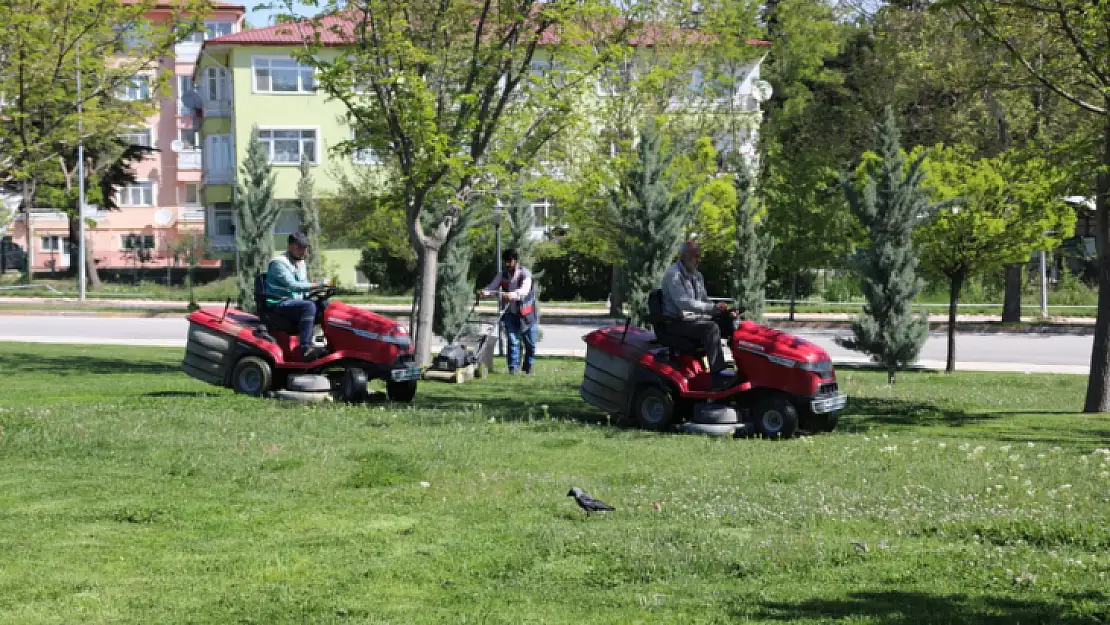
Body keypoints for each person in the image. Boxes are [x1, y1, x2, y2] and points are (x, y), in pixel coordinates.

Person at [659, 240, 739, 387]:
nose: (699, 260)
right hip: (676, 322)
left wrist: (720, 310)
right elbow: (683, 302)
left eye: (699, 256)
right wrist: (711, 309)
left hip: (694, 319)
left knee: (729, 320)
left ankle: (740, 368)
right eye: (696, 256)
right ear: (683, 256)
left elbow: (703, 300)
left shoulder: (697, 276)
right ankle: (718, 375)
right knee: (711, 328)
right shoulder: (673, 275)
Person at [265, 232, 331, 361]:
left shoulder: (301, 263)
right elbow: (293, 285)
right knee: (308, 306)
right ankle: (305, 348)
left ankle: (331, 344)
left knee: (325, 306)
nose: (303, 250)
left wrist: (318, 293)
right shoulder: (279, 263)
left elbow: (304, 285)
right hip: (279, 303)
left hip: (295, 303)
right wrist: (318, 284)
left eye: (305, 247)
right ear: (290, 247)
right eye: (299, 247)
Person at [478, 248, 538, 375]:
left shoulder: (525, 274)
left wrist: (512, 295)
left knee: (530, 344)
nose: (507, 264)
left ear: (515, 261)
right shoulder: (502, 275)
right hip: (510, 313)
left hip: (527, 314)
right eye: (505, 261)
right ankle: (513, 369)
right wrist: (485, 292)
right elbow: (492, 286)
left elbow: (524, 291)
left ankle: (528, 367)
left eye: (509, 261)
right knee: (512, 341)